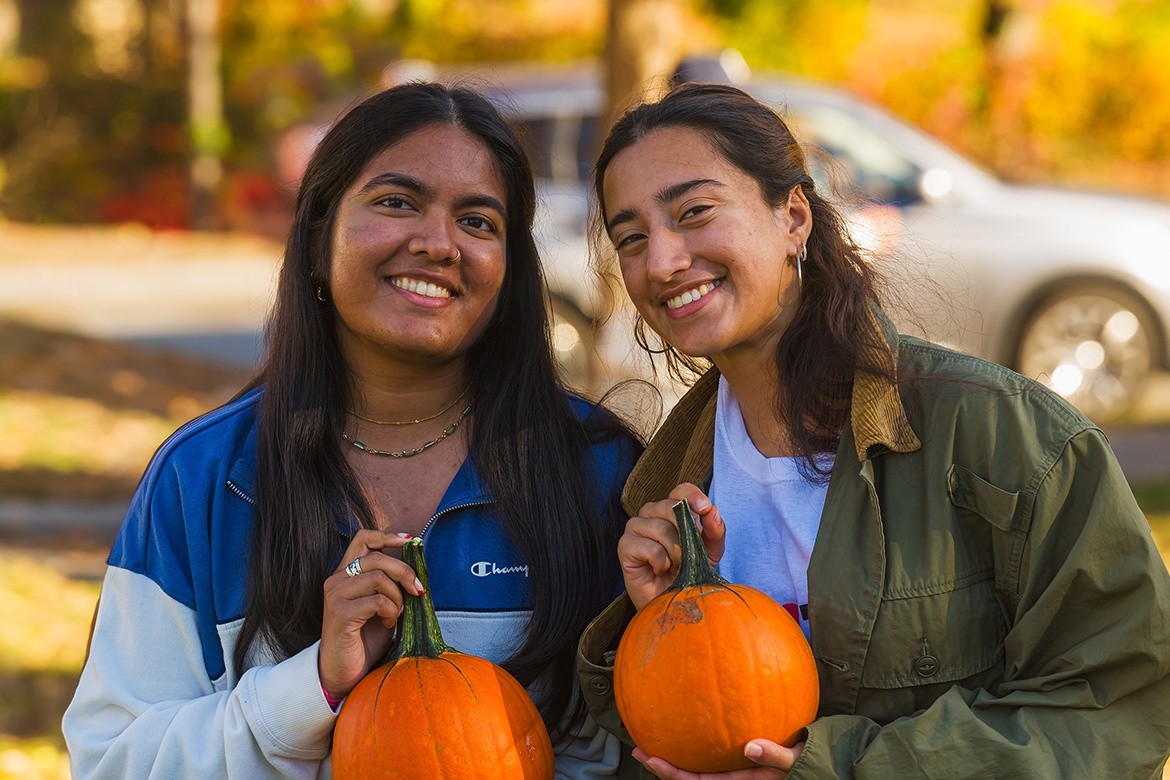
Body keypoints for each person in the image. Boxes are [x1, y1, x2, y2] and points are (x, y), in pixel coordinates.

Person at [575, 82, 1170, 779]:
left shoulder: (1001, 436)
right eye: (632, 238)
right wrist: (662, 626)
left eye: (695, 212)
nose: (663, 262)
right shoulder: (659, 482)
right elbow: (685, 723)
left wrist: (843, 768)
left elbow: (1118, 703)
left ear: (793, 215)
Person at [63, 82, 641, 778]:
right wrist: (314, 687)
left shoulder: (594, 471)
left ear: (511, 269)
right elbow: (111, 761)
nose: (438, 244)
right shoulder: (205, 477)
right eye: (397, 202)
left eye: (478, 222)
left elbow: (633, 746)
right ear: (317, 238)